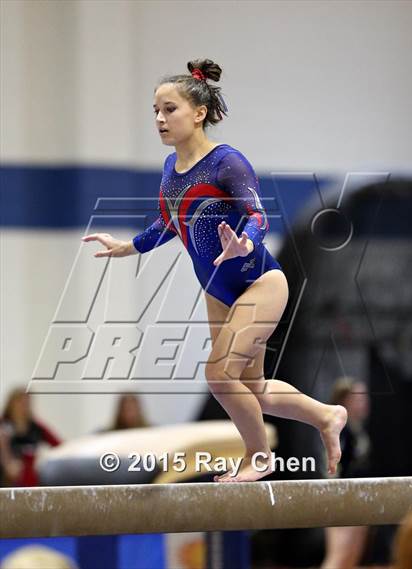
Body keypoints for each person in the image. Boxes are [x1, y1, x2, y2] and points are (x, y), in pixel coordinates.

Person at [81, 58, 347, 483]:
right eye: (156, 111)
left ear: (198, 113)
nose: (160, 119)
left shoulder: (227, 162)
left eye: (170, 109)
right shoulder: (172, 169)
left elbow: (257, 215)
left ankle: (259, 456)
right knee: (253, 388)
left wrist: (247, 241)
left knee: (219, 375)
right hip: (216, 288)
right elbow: (170, 222)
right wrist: (128, 246)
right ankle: (326, 415)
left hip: (258, 281)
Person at [321, 377, 371, 569]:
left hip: (359, 495)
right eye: (359, 398)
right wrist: (335, 495)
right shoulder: (338, 430)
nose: (365, 402)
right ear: (345, 402)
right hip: (342, 495)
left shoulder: (358, 431)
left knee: (351, 558)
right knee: (338, 558)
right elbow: (331, 467)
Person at [0, 387, 61, 486]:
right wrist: (7, 462)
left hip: (30, 479)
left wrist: (44, 460)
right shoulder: (3, 424)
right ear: (11, 404)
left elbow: (59, 445)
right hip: (6, 479)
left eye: (27, 403)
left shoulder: (37, 427)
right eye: (20, 403)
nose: (24, 407)